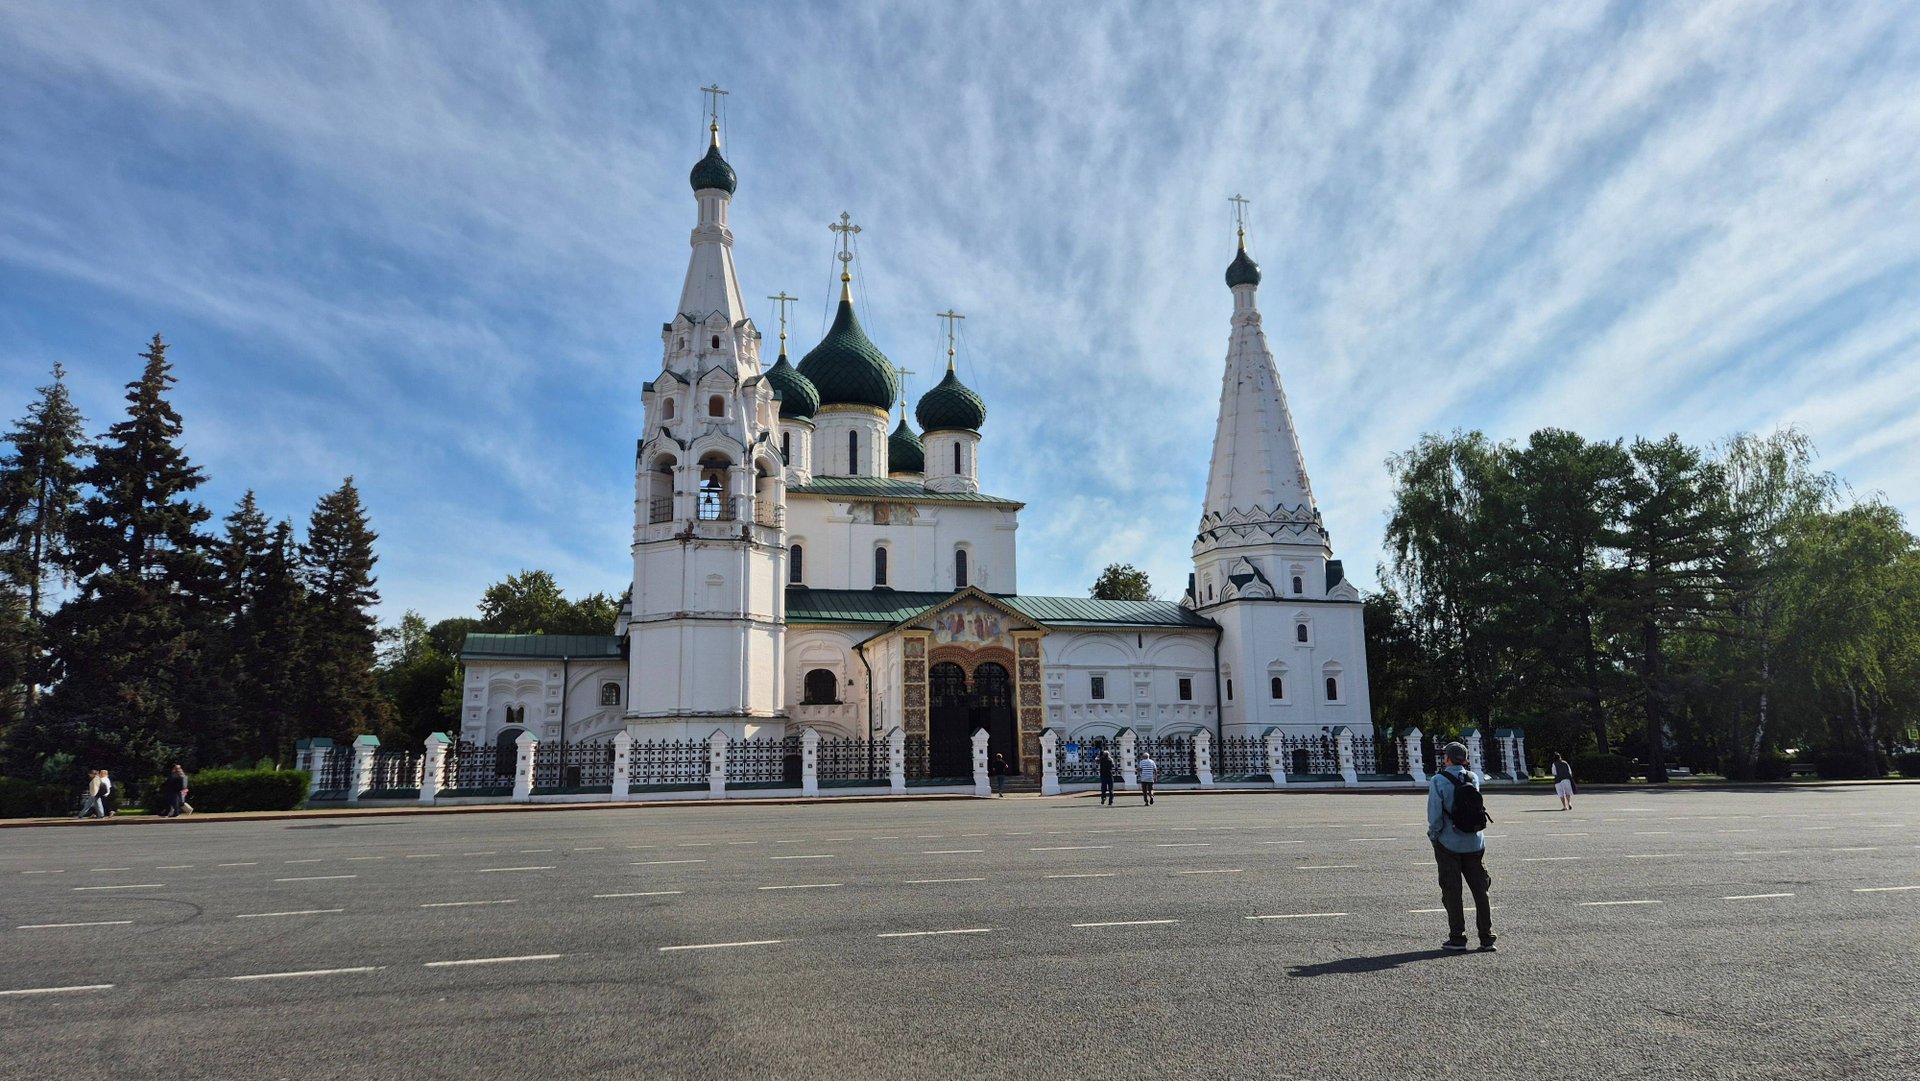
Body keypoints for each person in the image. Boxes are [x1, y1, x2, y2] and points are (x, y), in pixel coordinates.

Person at [1427, 741, 1495, 952]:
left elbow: (1435, 815)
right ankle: (1486, 937)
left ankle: (1458, 937)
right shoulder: (1473, 778)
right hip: (1475, 841)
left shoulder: (1438, 780)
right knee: (1481, 890)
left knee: (1452, 890)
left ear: (1446, 758)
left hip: (1449, 842)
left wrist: (1434, 836)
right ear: (1465, 759)